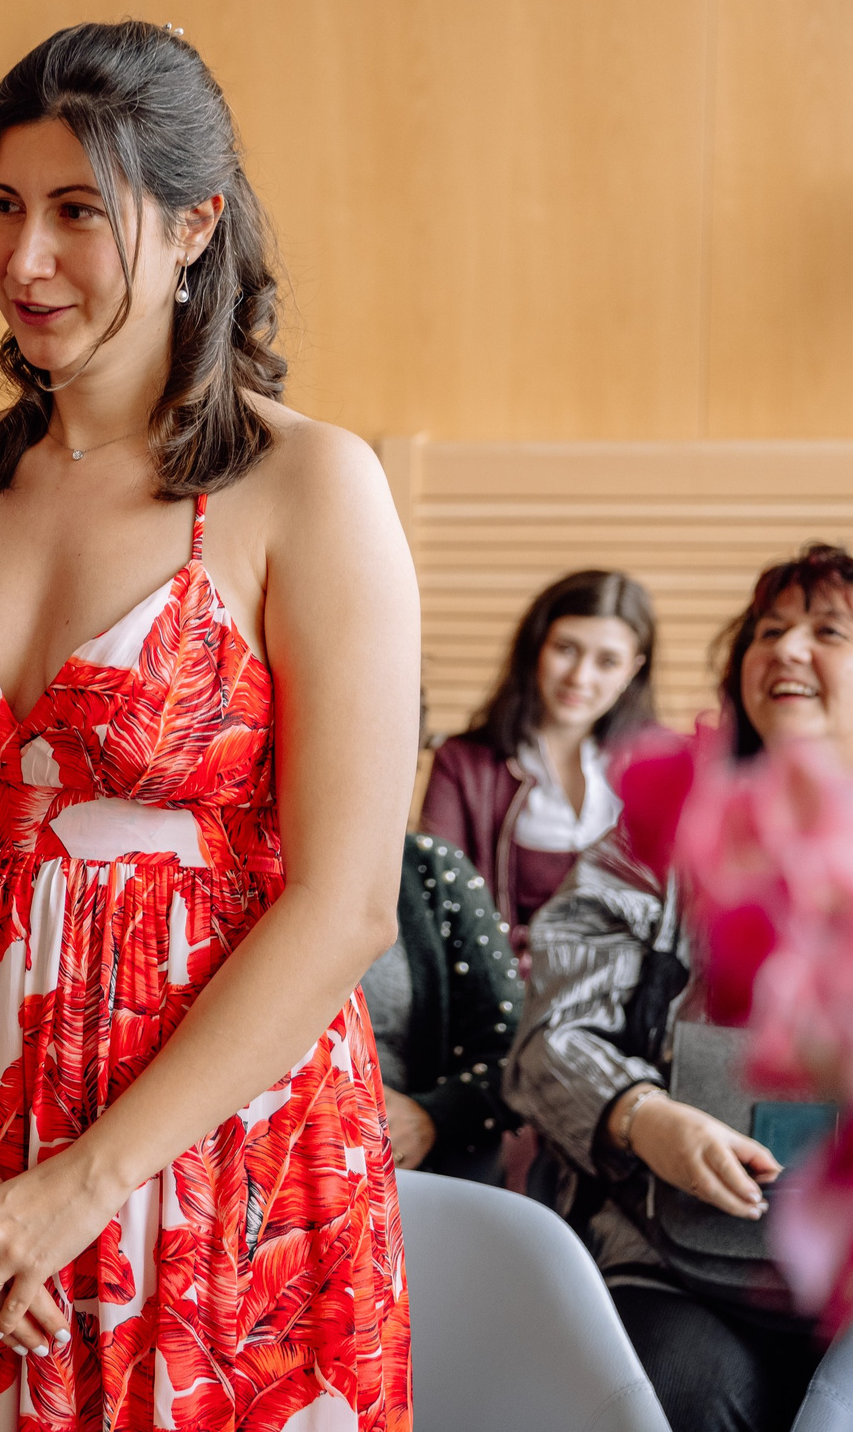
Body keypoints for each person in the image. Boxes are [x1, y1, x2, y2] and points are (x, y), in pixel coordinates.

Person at [0, 21, 416, 1428]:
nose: (24, 259)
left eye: (78, 212)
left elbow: (346, 904)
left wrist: (83, 1185)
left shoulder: (310, 487)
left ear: (195, 223)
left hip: (214, 1155)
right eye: (1, 207)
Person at [507, 544, 853, 1432]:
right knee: (679, 1394)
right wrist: (641, 1116)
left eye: (828, 631)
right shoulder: (657, 840)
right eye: (768, 630)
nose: (786, 648)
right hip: (667, 1261)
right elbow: (547, 1039)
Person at [423, 569, 656, 950]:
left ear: (633, 670)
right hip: (500, 981)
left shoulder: (663, 769)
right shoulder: (461, 764)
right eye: (566, 649)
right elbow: (440, 905)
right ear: (536, 647)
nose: (579, 677)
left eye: (608, 661)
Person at [359, 833, 522, 1182]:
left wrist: (429, 1117)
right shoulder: (241, 882)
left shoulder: (429, 867)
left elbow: (515, 1053)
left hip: (416, 1177)